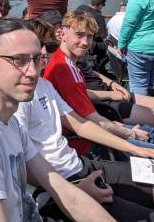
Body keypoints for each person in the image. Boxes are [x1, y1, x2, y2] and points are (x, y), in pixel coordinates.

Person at [0, 19, 113, 222]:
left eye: (36, 59)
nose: (32, 71)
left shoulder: (10, 123)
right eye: (18, 60)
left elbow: (65, 193)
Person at [44, 11, 154, 155]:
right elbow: (95, 121)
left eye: (89, 36)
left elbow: (81, 97)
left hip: (92, 129)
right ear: (62, 34)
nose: (85, 42)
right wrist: (131, 133)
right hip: (84, 144)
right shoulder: (63, 69)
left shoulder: (69, 64)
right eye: (79, 34)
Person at [118, 0, 154, 96]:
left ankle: (141, 115)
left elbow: (129, 23)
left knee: (139, 86)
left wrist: (121, 43)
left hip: (139, 48)